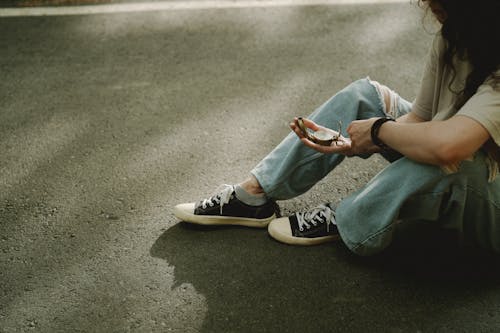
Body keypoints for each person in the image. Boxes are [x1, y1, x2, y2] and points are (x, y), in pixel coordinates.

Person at [173, 0, 500, 255]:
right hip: (461, 157)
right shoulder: (454, 37)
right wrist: (361, 142)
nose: (431, 10)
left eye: (443, 8)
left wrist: (377, 132)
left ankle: (348, 218)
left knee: (446, 157)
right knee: (366, 96)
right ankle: (253, 196)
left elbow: (448, 146)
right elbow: (420, 118)